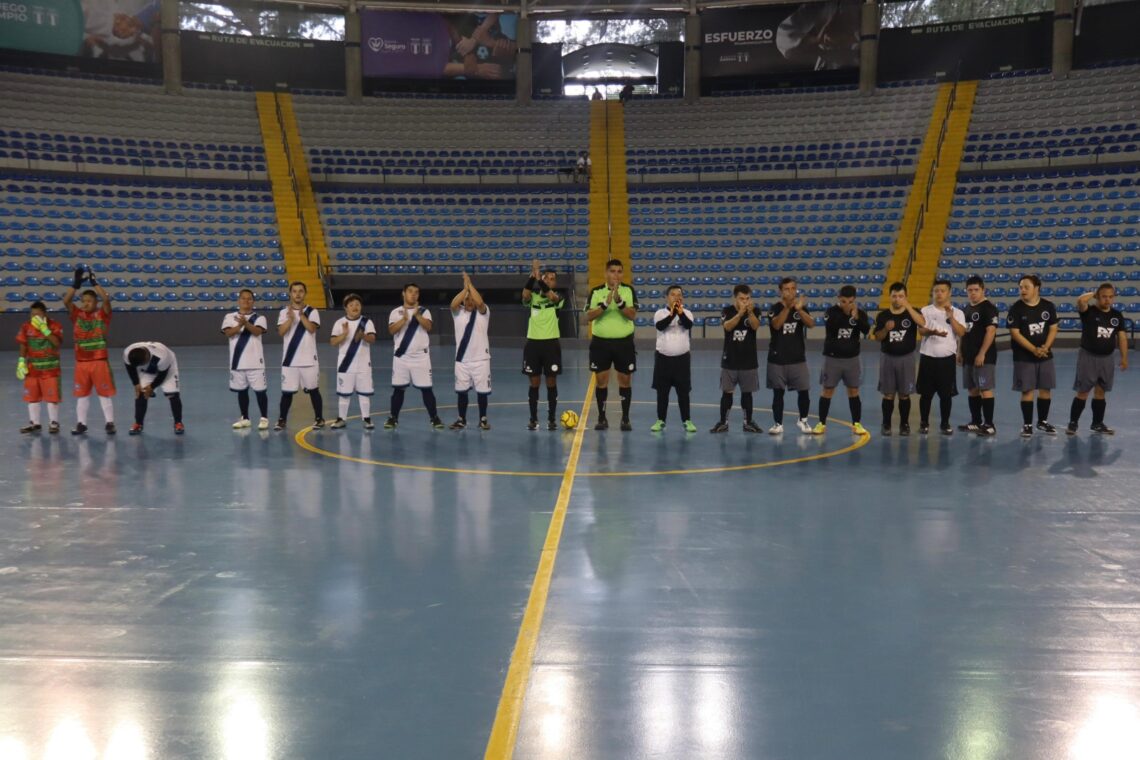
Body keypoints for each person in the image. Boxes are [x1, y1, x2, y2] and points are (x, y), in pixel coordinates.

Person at [1066, 283, 1129, 435]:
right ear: (1097, 297)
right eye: (1104, 296)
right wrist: (1094, 294)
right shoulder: (1089, 312)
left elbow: (1122, 338)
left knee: (1101, 392)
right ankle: (1073, 423)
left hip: (1107, 359)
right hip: (1088, 357)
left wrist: (1124, 357)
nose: (1107, 300)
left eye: (1110, 297)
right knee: (1083, 392)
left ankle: (1097, 423)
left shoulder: (1117, 315)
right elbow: (1081, 301)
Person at [586, 258, 638, 431]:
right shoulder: (596, 291)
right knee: (601, 381)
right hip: (601, 344)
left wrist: (620, 302)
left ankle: (625, 418)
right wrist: (605, 304)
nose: (616, 275)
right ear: (606, 273)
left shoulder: (628, 290)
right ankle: (602, 418)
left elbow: (632, 315)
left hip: (624, 343)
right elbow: (589, 316)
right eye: (612, 271)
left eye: (619, 271)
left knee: (625, 381)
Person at [63, 265, 116, 435]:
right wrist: (75, 284)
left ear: (95, 303)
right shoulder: (77, 315)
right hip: (81, 362)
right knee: (82, 394)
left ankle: (109, 423)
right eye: (83, 300)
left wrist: (95, 283)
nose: (85, 303)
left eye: (89, 301)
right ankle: (81, 423)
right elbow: (66, 301)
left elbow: (106, 300)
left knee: (104, 394)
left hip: (99, 361)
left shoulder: (102, 315)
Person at [386, 283, 444, 430]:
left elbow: (428, 327)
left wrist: (417, 315)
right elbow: (391, 330)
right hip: (401, 357)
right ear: (403, 293)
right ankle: (393, 418)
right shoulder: (395, 312)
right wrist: (404, 320)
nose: (413, 294)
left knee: (427, 389)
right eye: (410, 291)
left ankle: (434, 418)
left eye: (416, 292)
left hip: (421, 358)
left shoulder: (424, 311)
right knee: (398, 389)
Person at [1007, 274, 1059, 438]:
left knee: (1045, 389)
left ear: (1037, 288)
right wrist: (1033, 350)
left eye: (1026, 287)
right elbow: (1015, 333)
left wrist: (1045, 347)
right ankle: (1027, 424)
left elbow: (1053, 328)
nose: (1022, 290)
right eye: (1020, 287)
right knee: (1027, 390)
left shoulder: (1048, 306)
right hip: (1024, 357)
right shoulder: (1016, 308)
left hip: (1045, 355)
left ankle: (1042, 422)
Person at [814, 285, 869, 436]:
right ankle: (821, 423)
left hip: (852, 359)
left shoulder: (860, 314)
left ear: (854, 300)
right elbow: (832, 326)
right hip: (832, 359)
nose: (847, 305)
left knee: (854, 391)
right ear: (839, 299)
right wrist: (846, 314)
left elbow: (866, 330)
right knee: (827, 390)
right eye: (844, 301)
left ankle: (857, 424)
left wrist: (857, 319)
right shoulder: (831, 312)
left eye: (850, 302)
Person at [873, 282, 925, 436]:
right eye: (894, 296)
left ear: (906, 297)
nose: (897, 299)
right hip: (888, 358)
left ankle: (904, 424)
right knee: (888, 394)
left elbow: (922, 323)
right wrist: (885, 329)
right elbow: (877, 337)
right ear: (890, 297)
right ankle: (886, 424)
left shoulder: (912, 312)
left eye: (901, 296)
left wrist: (908, 307)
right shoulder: (883, 315)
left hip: (907, 358)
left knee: (904, 394)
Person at [766, 277, 816, 434]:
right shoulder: (774, 308)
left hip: (797, 358)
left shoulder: (801, 308)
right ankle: (778, 423)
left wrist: (799, 310)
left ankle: (803, 420)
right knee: (778, 393)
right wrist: (788, 308)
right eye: (787, 289)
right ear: (781, 291)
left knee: (804, 391)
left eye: (793, 288)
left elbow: (811, 324)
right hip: (777, 359)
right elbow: (776, 325)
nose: (791, 292)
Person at [711, 284, 763, 433]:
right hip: (730, 360)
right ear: (735, 298)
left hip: (749, 361)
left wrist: (749, 312)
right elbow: (727, 327)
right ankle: (723, 422)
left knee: (747, 393)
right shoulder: (727, 311)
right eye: (742, 299)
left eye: (747, 298)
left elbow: (755, 326)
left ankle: (748, 422)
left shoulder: (755, 311)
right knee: (727, 392)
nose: (745, 302)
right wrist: (740, 314)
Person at [917, 280, 966, 435]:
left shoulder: (958, 312)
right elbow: (921, 331)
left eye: (942, 291)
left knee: (946, 395)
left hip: (947, 360)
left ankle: (945, 423)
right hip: (928, 357)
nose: (939, 294)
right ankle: (924, 423)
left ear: (949, 293)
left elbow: (961, 332)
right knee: (926, 394)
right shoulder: (925, 310)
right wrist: (932, 332)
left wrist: (951, 318)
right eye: (936, 291)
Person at [275, 281, 324, 432]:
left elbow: (312, 329)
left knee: (314, 390)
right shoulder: (284, 312)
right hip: (289, 360)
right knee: (287, 392)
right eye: (294, 291)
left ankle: (319, 418)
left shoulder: (312, 311)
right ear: (290, 294)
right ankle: (282, 419)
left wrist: (302, 316)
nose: (297, 294)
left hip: (309, 360)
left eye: (301, 291)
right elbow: (281, 332)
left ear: (305, 293)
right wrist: (290, 319)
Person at [522, 261, 565, 431]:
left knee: (551, 382)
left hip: (551, 344)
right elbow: (525, 295)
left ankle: (551, 419)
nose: (549, 281)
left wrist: (539, 278)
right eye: (547, 278)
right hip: (533, 344)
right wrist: (532, 278)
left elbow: (552, 297)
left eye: (552, 279)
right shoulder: (533, 297)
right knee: (534, 383)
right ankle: (533, 419)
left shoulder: (558, 297)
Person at [650, 285, 697, 433]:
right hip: (663, 360)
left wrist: (680, 313)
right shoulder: (659, 313)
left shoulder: (687, 313)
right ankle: (661, 420)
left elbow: (688, 325)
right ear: (667, 297)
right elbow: (660, 326)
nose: (677, 297)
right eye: (673, 294)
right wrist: (672, 314)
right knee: (662, 392)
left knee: (683, 392)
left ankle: (687, 420)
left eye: (679, 295)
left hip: (682, 360)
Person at [221, 288, 269, 431]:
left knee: (260, 391)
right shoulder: (229, 317)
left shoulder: (260, 318)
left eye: (249, 299)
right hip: (237, 362)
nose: (246, 301)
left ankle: (264, 418)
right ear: (239, 300)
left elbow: (258, 331)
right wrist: (240, 325)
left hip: (255, 362)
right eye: (243, 298)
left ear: (253, 301)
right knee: (241, 391)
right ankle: (245, 418)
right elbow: (228, 333)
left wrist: (246, 323)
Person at [957, 275, 1000, 436]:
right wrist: (959, 351)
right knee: (972, 389)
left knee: (985, 388)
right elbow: (962, 333)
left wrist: (982, 353)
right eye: (970, 290)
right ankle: (975, 422)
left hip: (984, 357)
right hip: (968, 356)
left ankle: (989, 424)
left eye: (976, 290)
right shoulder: (966, 309)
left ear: (983, 290)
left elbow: (991, 331)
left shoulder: (988, 308)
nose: (973, 293)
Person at [449, 273, 491, 431]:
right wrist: (465, 289)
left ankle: (483, 419)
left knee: (482, 392)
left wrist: (469, 285)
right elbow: (453, 304)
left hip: (481, 360)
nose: (470, 301)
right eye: (467, 299)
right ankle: (461, 419)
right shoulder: (457, 313)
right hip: (462, 360)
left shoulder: (483, 313)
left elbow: (480, 302)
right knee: (462, 392)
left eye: (471, 299)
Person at [329, 293, 377, 430]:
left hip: (363, 365)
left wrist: (363, 336)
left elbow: (372, 339)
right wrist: (344, 334)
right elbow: (333, 342)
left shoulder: (367, 322)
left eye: (357, 304)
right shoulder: (339, 323)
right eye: (351, 305)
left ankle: (367, 419)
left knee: (364, 393)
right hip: (345, 365)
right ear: (346, 308)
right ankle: (341, 419)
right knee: (344, 394)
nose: (355, 307)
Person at [16, 301, 64, 434]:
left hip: (50, 369)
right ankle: (34, 423)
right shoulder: (26, 326)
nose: (34, 317)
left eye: (37, 314)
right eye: (32, 314)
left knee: (52, 398)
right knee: (32, 397)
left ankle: (54, 423)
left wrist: (44, 329)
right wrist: (21, 361)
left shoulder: (55, 325)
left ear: (44, 314)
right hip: (33, 369)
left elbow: (56, 343)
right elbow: (23, 344)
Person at [123, 341, 182, 435]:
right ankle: (138, 424)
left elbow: (162, 375)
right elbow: (130, 368)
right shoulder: (128, 352)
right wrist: (136, 384)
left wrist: (152, 387)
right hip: (148, 369)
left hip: (168, 367)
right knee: (141, 393)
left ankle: (178, 423)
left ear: (146, 358)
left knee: (172, 394)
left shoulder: (163, 356)